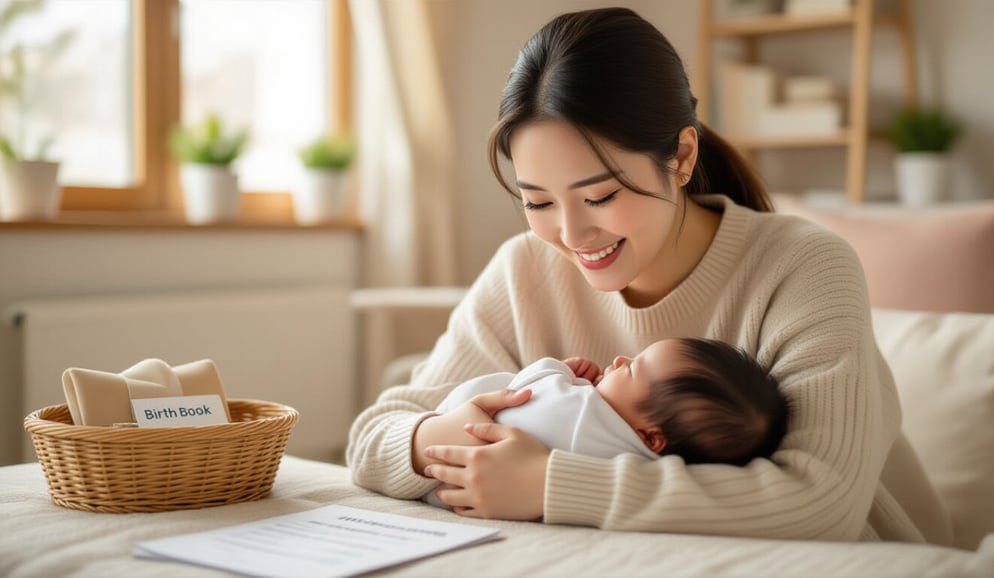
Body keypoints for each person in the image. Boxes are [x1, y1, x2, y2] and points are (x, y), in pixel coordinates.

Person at [346, 7, 951, 544]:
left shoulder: (802, 266)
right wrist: (435, 438)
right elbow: (372, 437)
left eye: (601, 195)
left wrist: (549, 484)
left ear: (681, 157)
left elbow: (823, 503)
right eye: (538, 202)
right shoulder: (525, 271)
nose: (571, 235)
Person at [422, 338, 789, 509]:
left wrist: (560, 371)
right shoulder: (638, 465)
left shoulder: (583, 415)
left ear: (652, 436)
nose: (618, 359)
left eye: (630, 369)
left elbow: (526, 393)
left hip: (441, 456)